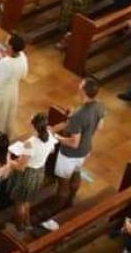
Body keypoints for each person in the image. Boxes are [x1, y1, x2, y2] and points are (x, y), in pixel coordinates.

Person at [44, 78, 106, 228]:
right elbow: (100, 127)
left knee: (63, 182)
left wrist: (57, 137)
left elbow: (73, 142)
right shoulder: (99, 105)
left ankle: (56, 210)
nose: (78, 85)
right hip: (86, 150)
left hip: (70, 155)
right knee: (77, 173)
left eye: (81, 85)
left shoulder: (79, 115)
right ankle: (71, 199)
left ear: (83, 90)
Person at [7, 114, 57, 232]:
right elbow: (52, 150)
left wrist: (9, 161)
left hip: (27, 175)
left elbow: (20, 167)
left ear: (33, 125)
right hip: (39, 171)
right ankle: (27, 223)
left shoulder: (30, 143)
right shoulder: (49, 135)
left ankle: (20, 227)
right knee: (27, 200)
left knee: (19, 203)